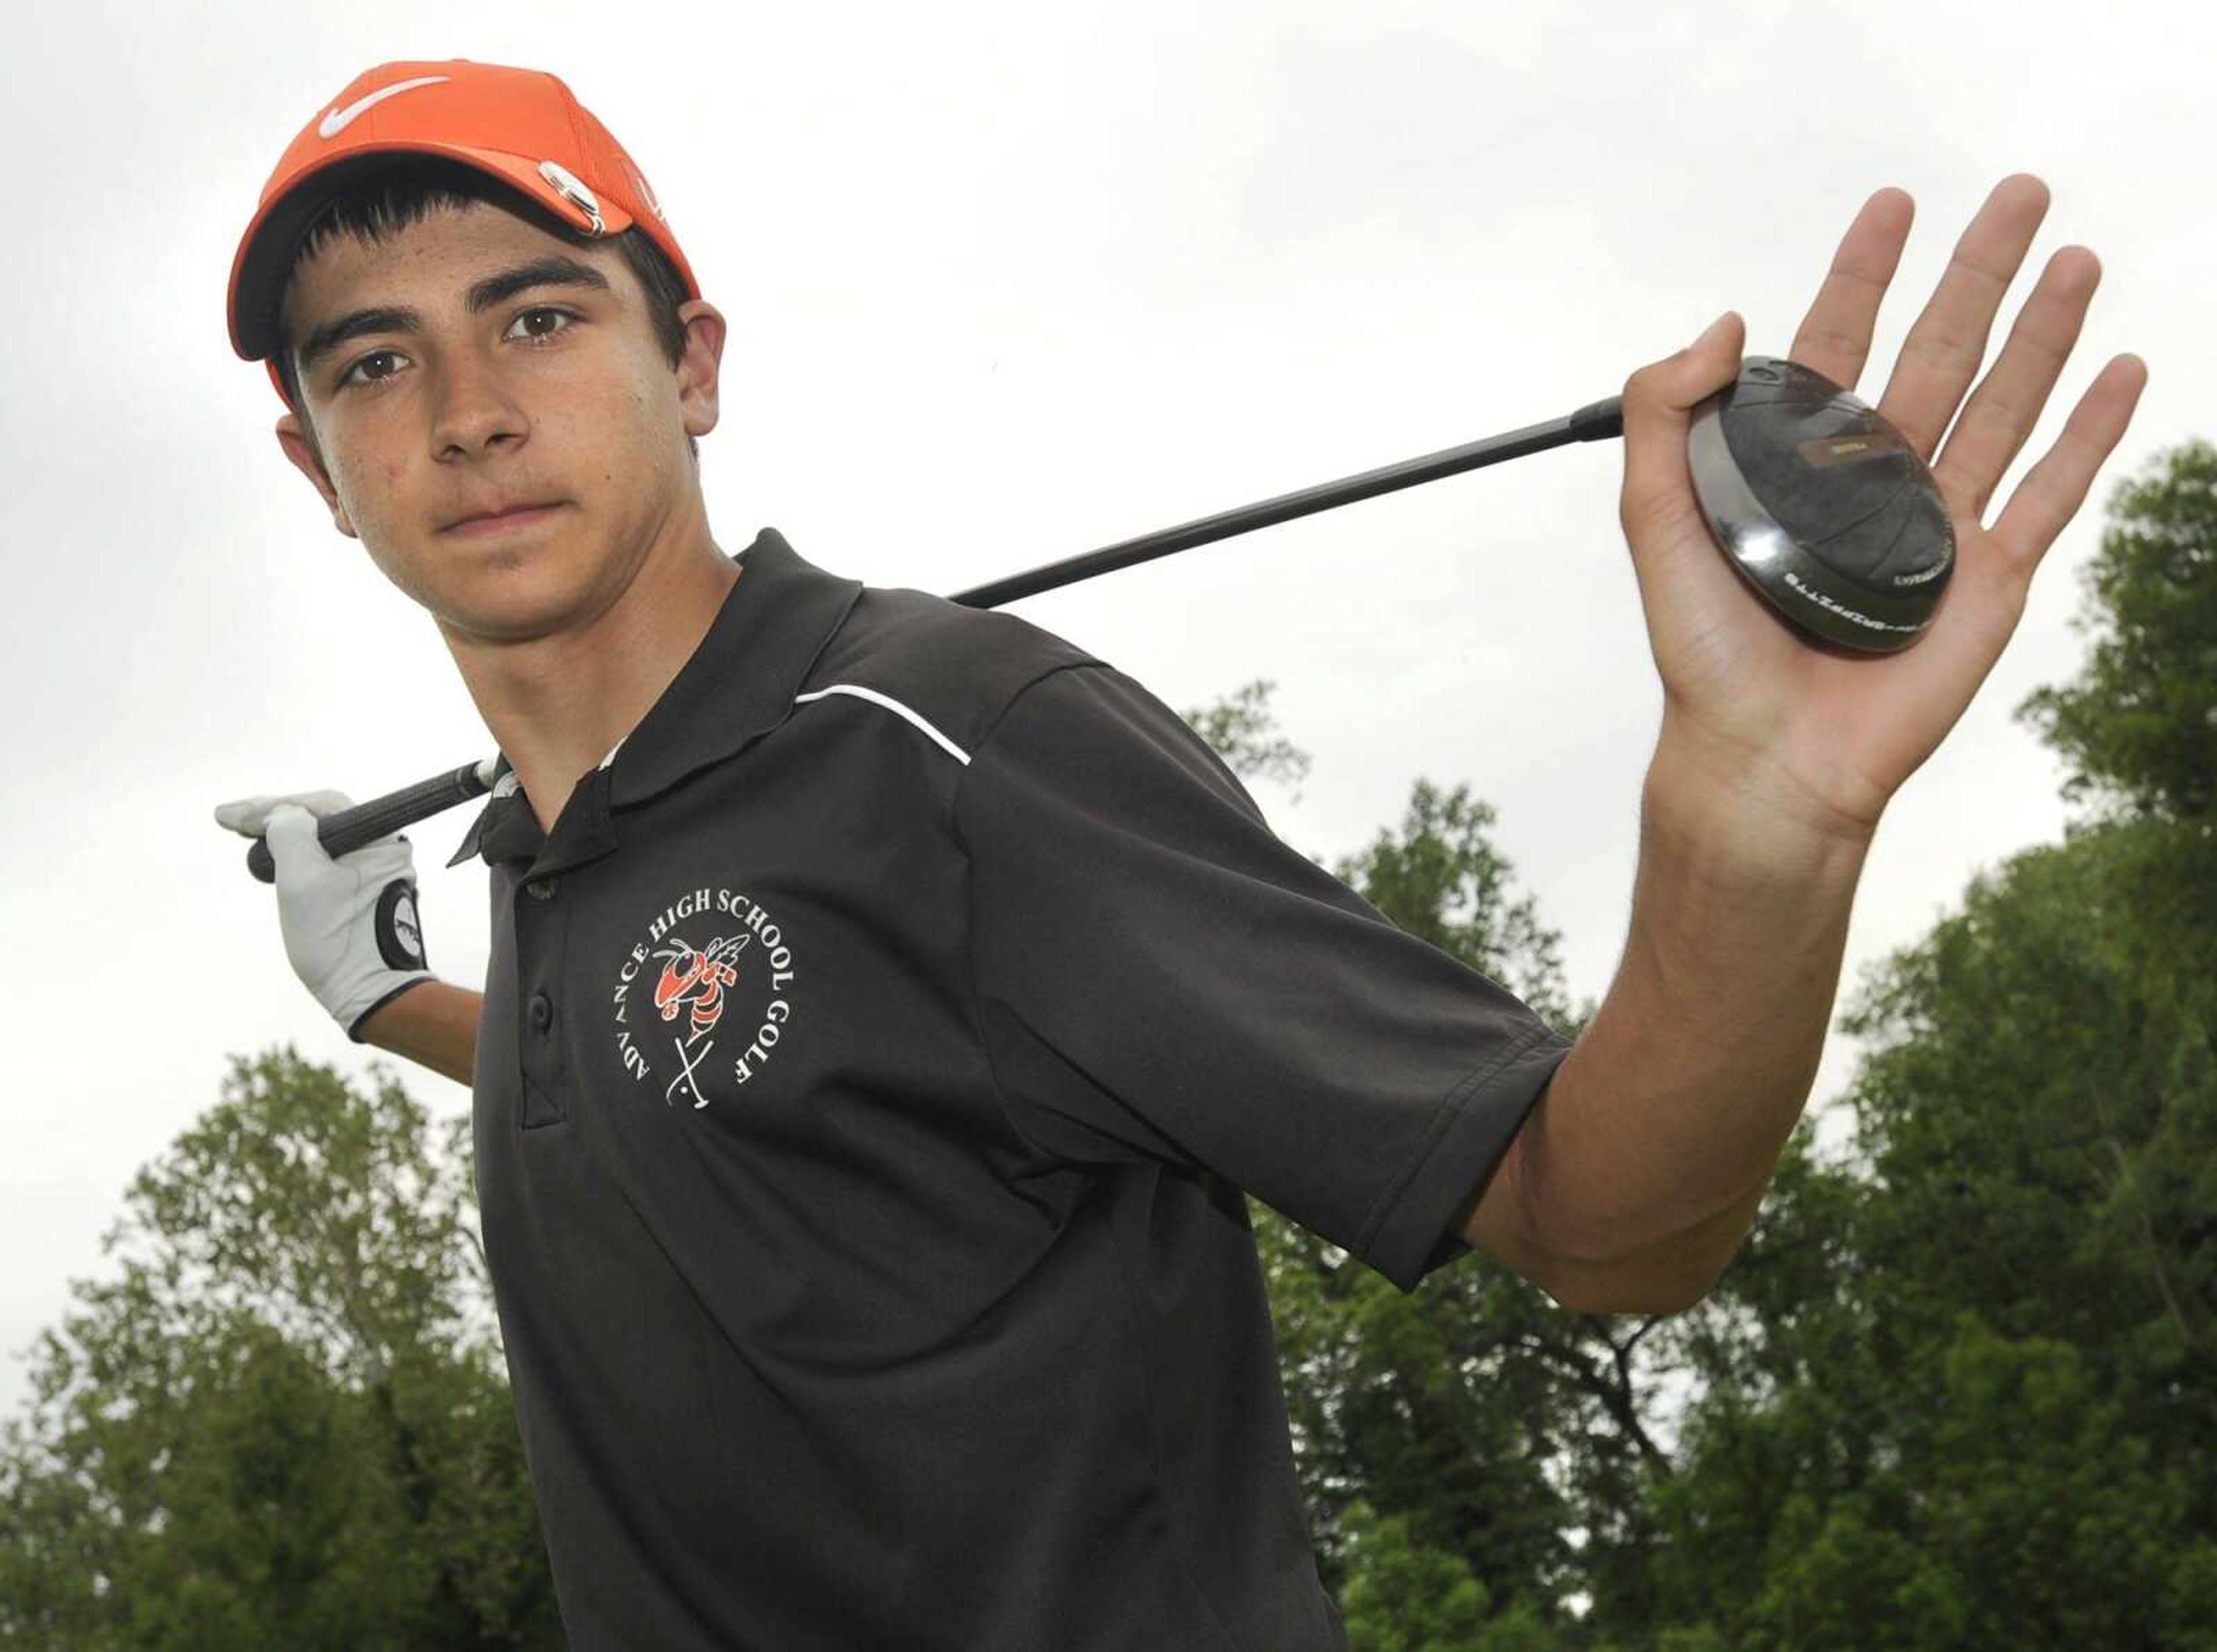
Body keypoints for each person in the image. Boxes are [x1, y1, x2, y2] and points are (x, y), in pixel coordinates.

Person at [217, 58, 2144, 1652]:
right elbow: (733, 1091)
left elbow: (1609, 1219)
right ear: (317, 462)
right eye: (373, 366)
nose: (468, 417)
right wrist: (399, 999)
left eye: (538, 317)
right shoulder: (550, 866)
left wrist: (1761, 827)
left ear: (691, 359)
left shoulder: (956, 749)